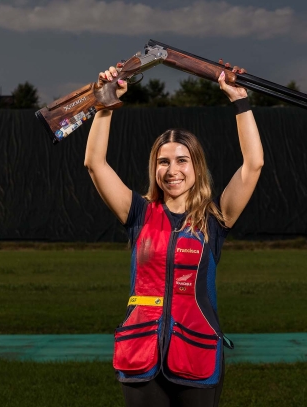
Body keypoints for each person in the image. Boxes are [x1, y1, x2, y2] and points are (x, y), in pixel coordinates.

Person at [83, 62, 264, 407]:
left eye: (182, 160)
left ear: (196, 166)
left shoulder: (216, 217)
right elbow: (95, 163)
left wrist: (240, 101)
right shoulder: (137, 213)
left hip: (197, 354)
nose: (172, 170)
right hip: (140, 353)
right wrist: (105, 103)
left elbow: (253, 164)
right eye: (163, 162)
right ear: (154, 168)